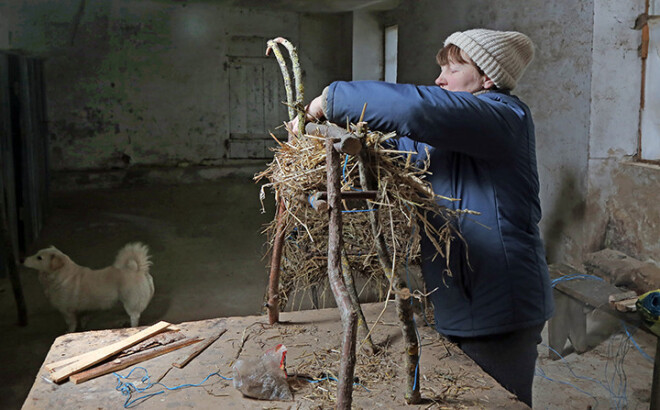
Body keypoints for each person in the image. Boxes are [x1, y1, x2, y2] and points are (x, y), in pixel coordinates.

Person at [290, 28, 554, 407]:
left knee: (498, 401)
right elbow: (399, 149)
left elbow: (417, 108)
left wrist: (330, 99)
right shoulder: (458, 132)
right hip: (463, 297)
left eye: (453, 70)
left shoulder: (504, 117)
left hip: (500, 305)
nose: (440, 79)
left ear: (488, 78)